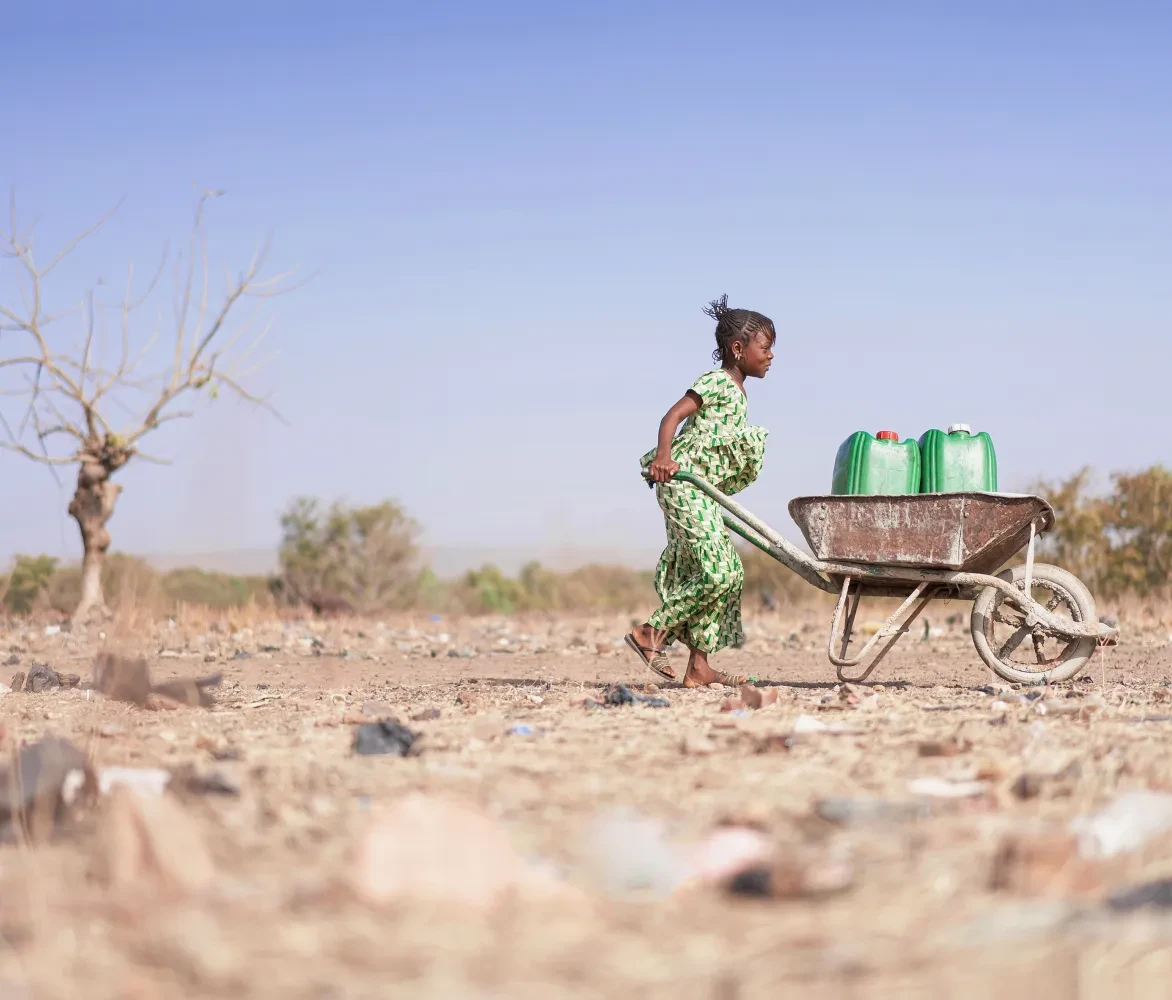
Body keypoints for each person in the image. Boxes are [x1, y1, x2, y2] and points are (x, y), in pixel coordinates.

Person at [624, 295, 775, 687]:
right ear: (738, 348)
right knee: (718, 573)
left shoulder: (738, 392)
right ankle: (650, 633)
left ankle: (699, 666)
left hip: (701, 491)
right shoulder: (716, 382)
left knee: (727, 573)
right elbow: (672, 416)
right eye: (765, 347)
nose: (771, 355)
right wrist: (663, 457)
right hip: (682, 485)